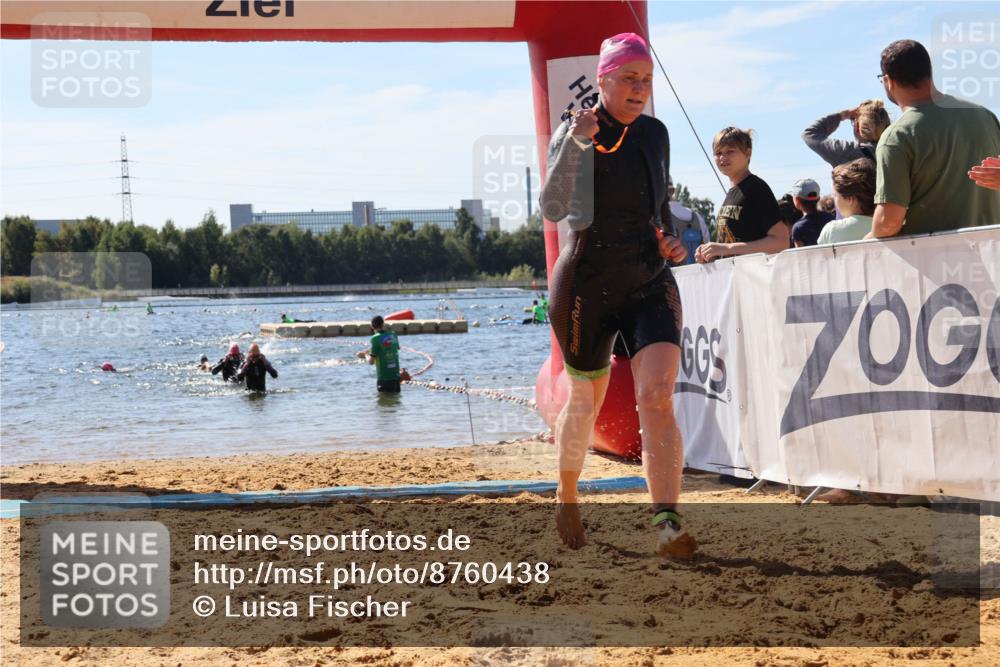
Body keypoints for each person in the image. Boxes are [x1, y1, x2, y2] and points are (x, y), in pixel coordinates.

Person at [539, 32, 693, 557]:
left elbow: (660, 204)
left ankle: (667, 522)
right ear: (603, 80)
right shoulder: (575, 132)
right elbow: (554, 208)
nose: (639, 89)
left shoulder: (655, 133)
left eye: (647, 80)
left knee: (656, 393)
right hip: (587, 283)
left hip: (648, 279)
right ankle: (566, 495)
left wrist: (669, 238)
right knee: (587, 396)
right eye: (629, 79)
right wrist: (577, 143)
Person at [869, 39, 1000, 239]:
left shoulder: (896, 137)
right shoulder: (984, 115)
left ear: (889, 81)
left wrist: (863, 243)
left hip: (936, 263)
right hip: (993, 255)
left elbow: (889, 222)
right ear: (929, 72)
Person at [695, 128, 788, 262]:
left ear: (748, 153)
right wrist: (710, 254)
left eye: (730, 151)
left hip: (755, 278)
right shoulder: (733, 192)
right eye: (718, 152)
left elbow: (781, 242)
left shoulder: (756, 188)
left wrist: (726, 248)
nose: (723, 157)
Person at [802, 99, 891, 168]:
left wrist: (843, 115)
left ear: (857, 127)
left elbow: (809, 134)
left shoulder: (846, 152)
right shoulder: (897, 149)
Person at [818, 158, 877, 244]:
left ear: (849, 198)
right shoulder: (891, 226)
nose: (835, 202)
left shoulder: (832, 230)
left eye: (835, 196)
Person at [667, 176, 711, 264]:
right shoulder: (696, 216)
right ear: (673, 191)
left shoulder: (656, 220)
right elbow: (708, 246)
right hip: (701, 274)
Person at [356, 315, 402, 393]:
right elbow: (393, 348)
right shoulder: (393, 335)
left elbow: (371, 362)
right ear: (383, 324)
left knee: (384, 403)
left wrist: (365, 355)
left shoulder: (375, 338)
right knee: (395, 402)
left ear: (372, 326)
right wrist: (369, 351)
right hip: (396, 377)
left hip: (384, 378)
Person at [789, 178, 834, 247]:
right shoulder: (831, 218)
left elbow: (800, 255)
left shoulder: (798, 227)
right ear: (819, 198)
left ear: (797, 200)